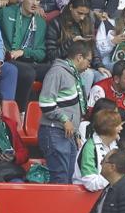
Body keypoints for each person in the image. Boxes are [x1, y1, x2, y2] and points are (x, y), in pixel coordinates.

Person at [38, 41, 93, 183]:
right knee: (60, 179)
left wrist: (75, 132)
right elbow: (46, 102)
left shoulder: (73, 75)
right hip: (54, 132)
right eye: (88, 60)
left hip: (67, 134)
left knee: (68, 180)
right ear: (79, 57)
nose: (89, 65)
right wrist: (64, 119)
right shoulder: (57, 72)